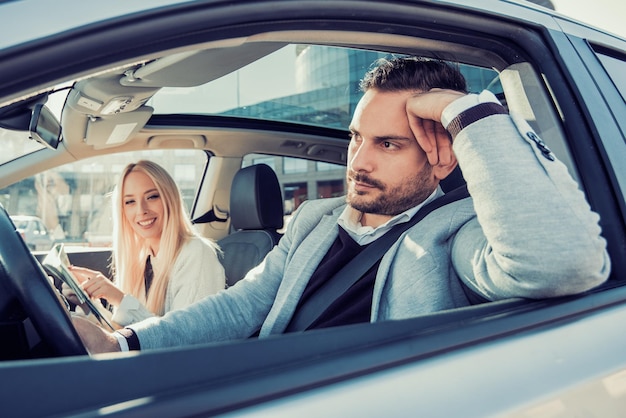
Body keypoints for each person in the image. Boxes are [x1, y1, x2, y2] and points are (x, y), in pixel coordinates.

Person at [73, 57, 610, 352]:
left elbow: (562, 262)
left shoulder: (457, 235)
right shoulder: (316, 221)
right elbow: (243, 306)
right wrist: (123, 344)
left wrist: (465, 111)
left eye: (388, 143)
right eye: (357, 137)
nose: (357, 161)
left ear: (441, 154)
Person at [66, 160, 225, 327]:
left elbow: (184, 338)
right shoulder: (143, 259)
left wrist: (119, 298)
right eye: (130, 202)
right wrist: (88, 305)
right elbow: (127, 335)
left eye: (152, 197)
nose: (141, 210)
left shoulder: (196, 254)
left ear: (170, 199)